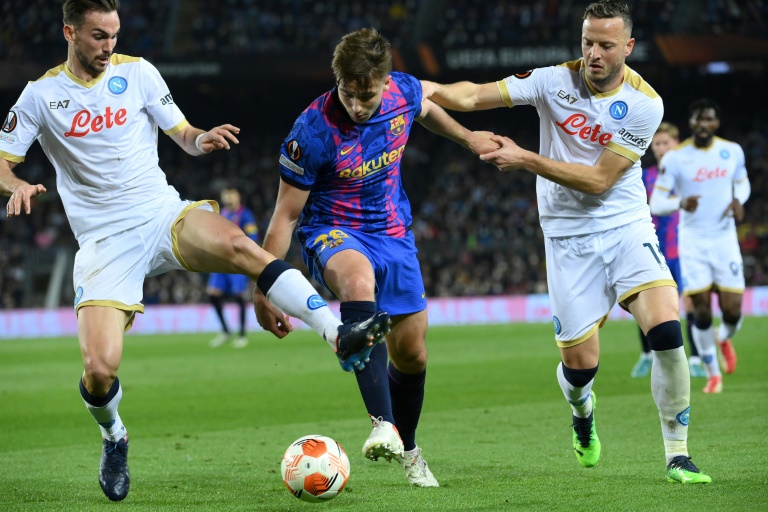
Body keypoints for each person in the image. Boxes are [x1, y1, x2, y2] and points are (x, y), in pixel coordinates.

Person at [0, 0, 390, 502]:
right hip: (104, 241)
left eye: (114, 35)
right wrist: (16, 185)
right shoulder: (40, 96)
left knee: (239, 245)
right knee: (99, 370)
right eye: (98, 36)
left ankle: (337, 334)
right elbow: (2, 162)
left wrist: (201, 138)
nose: (109, 46)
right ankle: (114, 435)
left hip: (161, 213)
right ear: (69, 32)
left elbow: (181, 133)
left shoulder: (138, 73)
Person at [422, 0, 711, 484]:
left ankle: (678, 454)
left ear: (628, 47)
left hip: (625, 226)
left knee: (665, 331)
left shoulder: (646, 104)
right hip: (567, 237)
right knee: (580, 368)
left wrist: (525, 159)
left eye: (606, 45)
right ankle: (582, 412)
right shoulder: (552, 81)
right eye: (587, 42)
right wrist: (421, 88)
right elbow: (470, 97)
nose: (594, 53)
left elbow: (599, 181)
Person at [254, 27, 497, 487]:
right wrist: (261, 286)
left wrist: (468, 139)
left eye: (366, 96)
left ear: (385, 82)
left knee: (413, 355)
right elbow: (284, 215)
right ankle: (381, 423)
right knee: (357, 282)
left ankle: (409, 448)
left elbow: (428, 108)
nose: (356, 105)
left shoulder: (403, 92)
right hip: (332, 229)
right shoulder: (311, 131)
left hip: (393, 232)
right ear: (338, 80)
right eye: (348, 93)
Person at [650, 98, 749, 394]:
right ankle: (713, 374)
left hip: (725, 239)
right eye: (698, 119)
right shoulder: (675, 158)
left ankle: (723, 337)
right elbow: (657, 202)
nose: (703, 124)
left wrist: (738, 199)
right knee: (701, 311)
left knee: (732, 311)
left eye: (709, 119)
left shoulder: (732, 151)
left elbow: (742, 183)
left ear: (717, 122)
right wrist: (680, 203)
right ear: (690, 122)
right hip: (693, 241)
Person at [631, 123, 705, 378]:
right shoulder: (645, 176)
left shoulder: (691, 175)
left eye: (666, 143)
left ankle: (696, 358)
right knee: (646, 302)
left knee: (691, 302)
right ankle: (647, 355)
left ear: (677, 144)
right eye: (657, 144)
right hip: (653, 248)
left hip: (683, 248)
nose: (661, 148)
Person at [207, 186, 258, 349]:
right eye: (226, 195)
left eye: (231, 195)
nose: (229, 198)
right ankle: (226, 331)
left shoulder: (245, 214)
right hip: (221, 261)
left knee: (239, 295)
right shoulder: (221, 214)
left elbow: (253, 235)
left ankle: (242, 335)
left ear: (238, 197)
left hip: (236, 261)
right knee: (213, 294)